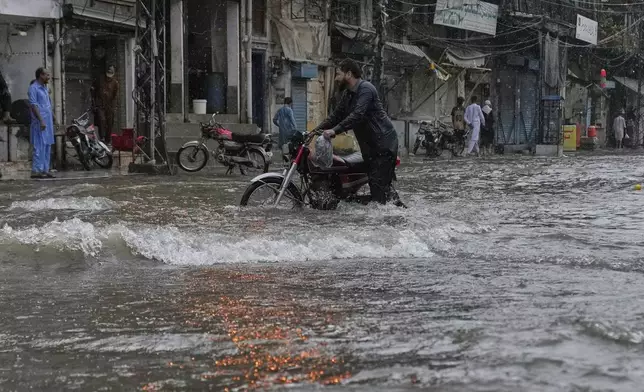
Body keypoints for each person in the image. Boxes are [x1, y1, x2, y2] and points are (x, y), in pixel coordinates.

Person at [316, 58, 403, 206]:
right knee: (381, 190)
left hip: (383, 145)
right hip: (369, 147)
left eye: (338, 74)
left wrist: (334, 131)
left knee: (378, 191)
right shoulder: (348, 94)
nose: (336, 79)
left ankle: (388, 220)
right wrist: (315, 130)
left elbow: (357, 115)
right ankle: (397, 211)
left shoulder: (366, 89)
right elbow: (336, 116)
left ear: (348, 74)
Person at [28, 68, 55, 179]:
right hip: (39, 121)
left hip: (48, 121)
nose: (48, 77)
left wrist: (54, 118)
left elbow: (48, 105)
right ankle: (36, 170)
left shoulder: (44, 88)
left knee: (47, 145)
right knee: (39, 145)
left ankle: (45, 169)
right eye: (47, 75)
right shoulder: (33, 88)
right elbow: (34, 105)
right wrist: (41, 120)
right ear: (40, 75)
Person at [92, 65, 119, 143]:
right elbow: (93, 89)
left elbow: (115, 95)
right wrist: (94, 102)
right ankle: (102, 137)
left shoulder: (115, 83)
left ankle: (108, 139)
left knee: (110, 122)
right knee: (102, 120)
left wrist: (114, 106)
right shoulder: (100, 80)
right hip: (100, 104)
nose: (109, 77)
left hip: (110, 105)